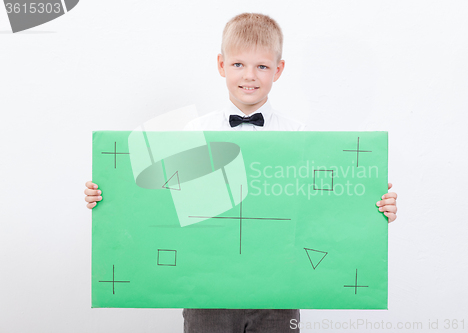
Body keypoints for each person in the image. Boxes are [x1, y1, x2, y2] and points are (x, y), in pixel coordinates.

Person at [84, 12, 398, 333]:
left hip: (278, 288)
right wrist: (109, 197)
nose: (249, 75)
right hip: (207, 287)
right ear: (221, 65)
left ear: (278, 70)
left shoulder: (298, 135)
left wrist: (371, 208)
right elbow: (164, 198)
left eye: (261, 66)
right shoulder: (195, 131)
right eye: (238, 65)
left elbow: (319, 206)